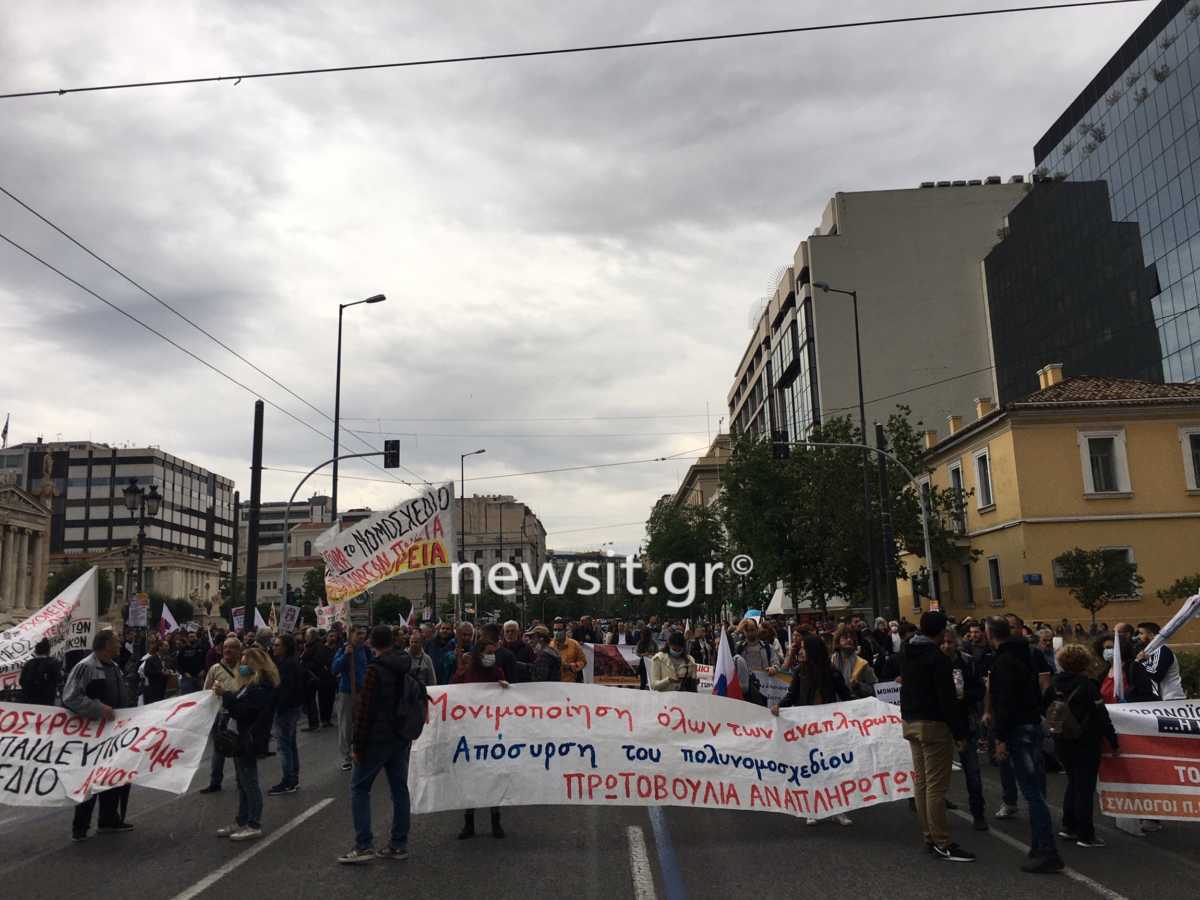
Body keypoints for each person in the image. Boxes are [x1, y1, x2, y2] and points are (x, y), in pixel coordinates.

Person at [337, 625, 417, 864]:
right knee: (399, 790)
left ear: (372, 643)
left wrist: (356, 746)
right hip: (399, 736)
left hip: (376, 739)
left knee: (360, 789)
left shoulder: (375, 670)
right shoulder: (404, 663)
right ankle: (398, 844)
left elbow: (365, 713)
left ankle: (364, 845)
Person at [987, 616, 1061, 873]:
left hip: (1018, 728)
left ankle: (1047, 850)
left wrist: (1000, 738)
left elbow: (1003, 702)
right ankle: (1040, 845)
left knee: (1032, 793)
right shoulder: (1027, 654)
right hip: (1031, 724)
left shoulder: (1003, 662)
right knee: (1036, 789)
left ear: (990, 634)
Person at [900, 611, 974, 862]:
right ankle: (943, 840)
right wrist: (960, 732)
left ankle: (929, 836)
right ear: (941, 631)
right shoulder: (937, 659)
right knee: (936, 786)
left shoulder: (907, 652)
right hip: (933, 724)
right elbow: (947, 700)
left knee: (921, 783)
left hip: (911, 722)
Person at [771, 634, 852, 825]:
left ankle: (838, 809)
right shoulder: (800, 672)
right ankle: (811, 808)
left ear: (813, 651)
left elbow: (846, 695)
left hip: (828, 727)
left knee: (832, 766)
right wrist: (779, 706)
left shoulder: (831, 672)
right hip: (805, 728)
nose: (800, 651)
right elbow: (792, 695)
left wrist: (862, 708)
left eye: (804, 648)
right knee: (809, 766)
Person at [1045, 643, 1118, 849]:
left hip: (1061, 739)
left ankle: (1068, 826)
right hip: (1085, 741)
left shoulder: (1054, 684)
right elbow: (1101, 715)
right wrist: (1112, 740)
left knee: (1072, 782)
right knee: (1084, 787)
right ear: (1084, 662)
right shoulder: (1088, 685)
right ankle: (1086, 834)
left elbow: (1045, 706)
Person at [63, 631, 134, 841]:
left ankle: (108, 819)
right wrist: (98, 708)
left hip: (114, 733)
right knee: (90, 780)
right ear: (105, 645)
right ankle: (80, 827)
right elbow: (71, 697)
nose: (120, 645)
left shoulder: (114, 667)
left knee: (113, 776)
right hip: (93, 735)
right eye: (116, 642)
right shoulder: (86, 666)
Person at [212, 647, 279, 842]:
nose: (242, 666)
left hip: (248, 739)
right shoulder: (250, 684)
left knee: (249, 782)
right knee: (242, 783)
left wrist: (225, 695)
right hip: (240, 737)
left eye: (245, 663)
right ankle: (242, 820)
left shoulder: (262, 686)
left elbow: (245, 711)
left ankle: (253, 823)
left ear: (255, 664)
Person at [452, 633, 510, 839]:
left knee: (493, 777)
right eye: (488, 653)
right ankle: (469, 823)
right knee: (471, 779)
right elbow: (451, 694)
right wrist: (458, 674)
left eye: (494, 653)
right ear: (479, 654)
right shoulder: (468, 672)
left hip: (492, 733)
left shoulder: (498, 671)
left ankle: (496, 820)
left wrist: (505, 687)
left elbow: (509, 701)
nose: (491, 657)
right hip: (470, 733)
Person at [941, 628, 988, 831]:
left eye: (950, 642)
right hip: (941, 722)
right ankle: (938, 803)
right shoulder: (933, 662)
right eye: (943, 642)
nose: (946, 646)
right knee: (939, 769)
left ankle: (978, 812)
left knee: (972, 770)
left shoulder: (967, 662)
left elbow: (980, 689)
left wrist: (965, 695)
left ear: (957, 643)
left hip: (965, 720)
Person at [201, 636, 244, 794]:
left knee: (238, 749)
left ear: (239, 651)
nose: (227, 650)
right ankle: (215, 782)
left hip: (238, 714)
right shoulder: (215, 669)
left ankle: (242, 780)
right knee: (218, 750)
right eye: (225, 647)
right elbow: (206, 691)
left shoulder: (244, 668)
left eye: (232, 647)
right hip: (221, 715)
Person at [270, 633, 304, 795]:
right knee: (290, 744)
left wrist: (278, 707)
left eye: (277, 645)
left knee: (284, 746)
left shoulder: (287, 665)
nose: (274, 647)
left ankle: (288, 780)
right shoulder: (290, 662)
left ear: (285, 648)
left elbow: (285, 690)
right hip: (292, 708)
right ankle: (293, 778)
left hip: (286, 710)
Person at [333, 626, 371, 771]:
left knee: (361, 724)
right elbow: (335, 668)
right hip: (347, 693)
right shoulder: (344, 649)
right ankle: (345, 756)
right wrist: (345, 656)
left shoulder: (365, 650)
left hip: (362, 692)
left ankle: (360, 751)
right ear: (351, 635)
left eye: (363, 633)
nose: (361, 636)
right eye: (358, 633)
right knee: (346, 726)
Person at [1135, 622, 1184, 700]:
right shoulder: (1148, 652)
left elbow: (1156, 675)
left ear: (1152, 635)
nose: (1138, 637)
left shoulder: (1162, 650)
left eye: (1141, 633)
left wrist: (1141, 662)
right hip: (1159, 700)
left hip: (1171, 699)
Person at [832, 625, 878, 699]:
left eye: (851, 637)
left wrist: (858, 686)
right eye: (845, 637)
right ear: (838, 641)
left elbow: (874, 689)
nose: (849, 640)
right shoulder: (831, 661)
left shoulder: (862, 663)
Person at [19, 638, 61, 705]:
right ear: (49, 651)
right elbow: (58, 679)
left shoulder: (28, 663)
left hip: (29, 699)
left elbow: (21, 681)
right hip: (46, 699)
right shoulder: (53, 663)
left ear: (35, 651)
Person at [551, 618, 587, 683]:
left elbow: (583, 662)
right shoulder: (549, 645)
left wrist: (573, 666)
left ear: (565, 630)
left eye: (559, 630)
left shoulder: (574, 644)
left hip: (569, 683)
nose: (556, 632)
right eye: (555, 630)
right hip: (552, 684)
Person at [140, 634, 171, 704]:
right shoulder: (151, 660)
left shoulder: (167, 659)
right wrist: (160, 673)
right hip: (154, 691)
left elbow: (171, 669)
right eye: (166, 646)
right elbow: (147, 672)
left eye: (168, 646)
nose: (168, 647)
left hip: (165, 690)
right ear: (160, 647)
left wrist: (170, 672)